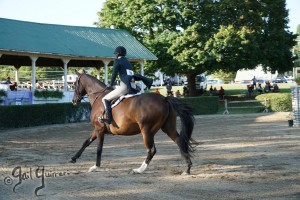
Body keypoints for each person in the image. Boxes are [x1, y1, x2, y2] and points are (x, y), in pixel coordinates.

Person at [100, 46, 153, 124]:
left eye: (115, 54)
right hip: (133, 85)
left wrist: (110, 84)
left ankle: (109, 119)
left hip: (125, 86)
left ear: (117, 54)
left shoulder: (117, 61)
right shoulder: (127, 62)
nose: (115, 55)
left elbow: (114, 74)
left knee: (105, 99)